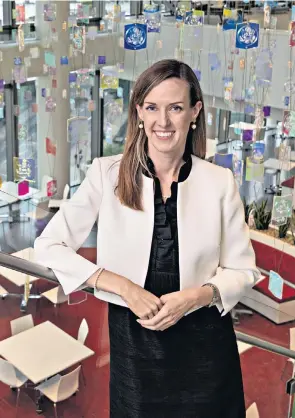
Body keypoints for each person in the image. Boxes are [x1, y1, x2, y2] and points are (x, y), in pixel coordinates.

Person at [34, 59, 261, 418]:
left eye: (176, 108)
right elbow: (48, 245)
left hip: (205, 344)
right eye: (152, 107)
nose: (163, 122)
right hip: (135, 344)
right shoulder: (105, 173)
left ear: (194, 112)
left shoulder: (220, 182)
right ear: (139, 111)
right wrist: (121, 285)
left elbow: (244, 270)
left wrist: (194, 297)